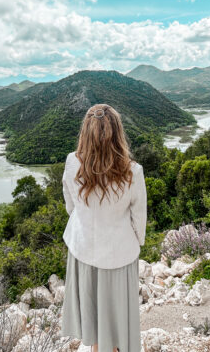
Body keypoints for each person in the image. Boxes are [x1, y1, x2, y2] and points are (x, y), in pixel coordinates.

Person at [59, 104, 147, 352]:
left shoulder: (71, 163)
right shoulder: (133, 171)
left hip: (83, 249)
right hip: (120, 254)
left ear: (85, 132)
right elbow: (139, 218)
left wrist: (87, 223)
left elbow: (71, 206)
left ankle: (97, 347)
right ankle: (115, 347)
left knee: (93, 309)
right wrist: (135, 243)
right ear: (118, 133)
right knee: (116, 310)